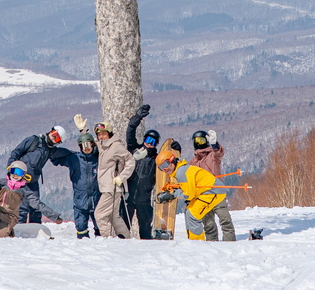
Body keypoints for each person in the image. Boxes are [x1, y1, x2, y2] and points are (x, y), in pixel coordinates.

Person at [156, 147, 235, 242]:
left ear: (172, 160)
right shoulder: (180, 170)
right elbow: (189, 189)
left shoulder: (181, 172)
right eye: (161, 167)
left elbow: (189, 194)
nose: (164, 169)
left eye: (165, 164)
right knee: (189, 211)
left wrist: (172, 194)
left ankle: (197, 242)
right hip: (207, 192)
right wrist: (174, 191)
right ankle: (193, 240)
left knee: (193, 214)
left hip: (213, 191)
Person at [0, 161, 64, 237]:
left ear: (23, 175)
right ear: (9, 171)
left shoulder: (24, 190)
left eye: (19, 173)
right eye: (13, 171)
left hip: (10, 217)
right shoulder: (1, 183)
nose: (15, 175)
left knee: (0, 236)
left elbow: (37, 204)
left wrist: (54, 216)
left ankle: (9, 231)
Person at [6, 124, 71, 223]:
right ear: (51, 131)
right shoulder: (34, 141)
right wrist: (10, 167)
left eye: (57, 139)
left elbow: (63, 152)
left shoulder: (50, 151)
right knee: (22, 206)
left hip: (33, 180)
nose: (53, 138)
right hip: (20, 178)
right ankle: (18, 228)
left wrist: (77, 153)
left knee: (36, 207)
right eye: (54, 134)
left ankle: (35, 227)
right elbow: (16, 151)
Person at [53, 128, 100, 238]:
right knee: (81, 229)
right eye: (83, 146)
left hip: (97, 200)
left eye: (88, 145)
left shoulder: (99, 158)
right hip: (80, 201)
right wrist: (69, 153)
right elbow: (54, 157)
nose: (86, 148)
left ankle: (101, 246)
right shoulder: (74, 158)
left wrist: (84, 132)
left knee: (101, 227)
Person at [91, 119, 132, 239]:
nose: (101, 136)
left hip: (112, 187)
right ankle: (126, 238)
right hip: (108, 187)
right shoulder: (103, 146)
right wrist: (83, 131)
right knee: (114, 215)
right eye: (99, 134)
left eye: (104, 133)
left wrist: (122, 177)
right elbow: (91, 142)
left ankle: (107, 238)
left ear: (109, 133)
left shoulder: (116, 146)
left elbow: (131, 161)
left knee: (100, 214)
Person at [122, 103, 158, 240]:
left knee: (145, 230)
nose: (149, 144)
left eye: (153, 142)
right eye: (148, 140)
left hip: (144, 199)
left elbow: (169, 165)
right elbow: (130, 132)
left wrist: (174, 150)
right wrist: (137, 118)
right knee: (123, 228)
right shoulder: (134, 150)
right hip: (128, 196)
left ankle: (148, 254)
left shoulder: (156, 159)